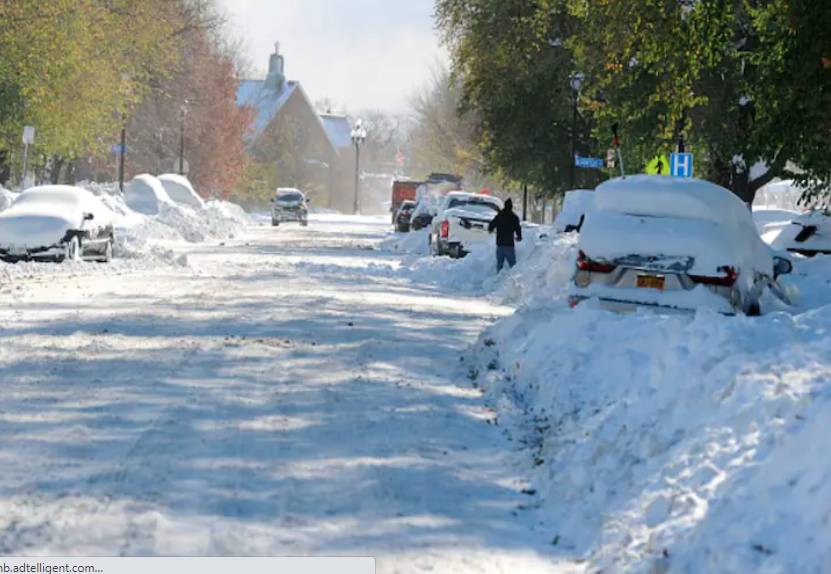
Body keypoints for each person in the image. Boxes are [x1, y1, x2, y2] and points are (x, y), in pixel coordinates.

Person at [488, 198, 522, 272]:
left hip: (500, 244)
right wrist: (519, 237)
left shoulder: (499, 215)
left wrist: (490, 229)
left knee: (499, 264)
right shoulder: (514, 217)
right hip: (509, 244)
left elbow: (492, 224)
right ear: (511, 207)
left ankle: (497, 279)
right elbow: (518, 228)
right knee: (513, 265)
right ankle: (513, 279)